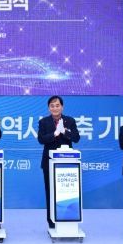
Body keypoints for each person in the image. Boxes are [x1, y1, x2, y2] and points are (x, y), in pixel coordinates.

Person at [37, 95, 80, 229]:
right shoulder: (44, 122)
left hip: (67, 163)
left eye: (57, 105)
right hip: (49, 162)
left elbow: (76, 138)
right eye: (52, 106)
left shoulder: (70, 121)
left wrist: (65, 131)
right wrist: (55, 133)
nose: (55, 108)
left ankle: (68, 218)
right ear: (49, 108)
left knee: (67, 191)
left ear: (62, 107)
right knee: (50, 192)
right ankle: (52, 221)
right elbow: (41, 139)